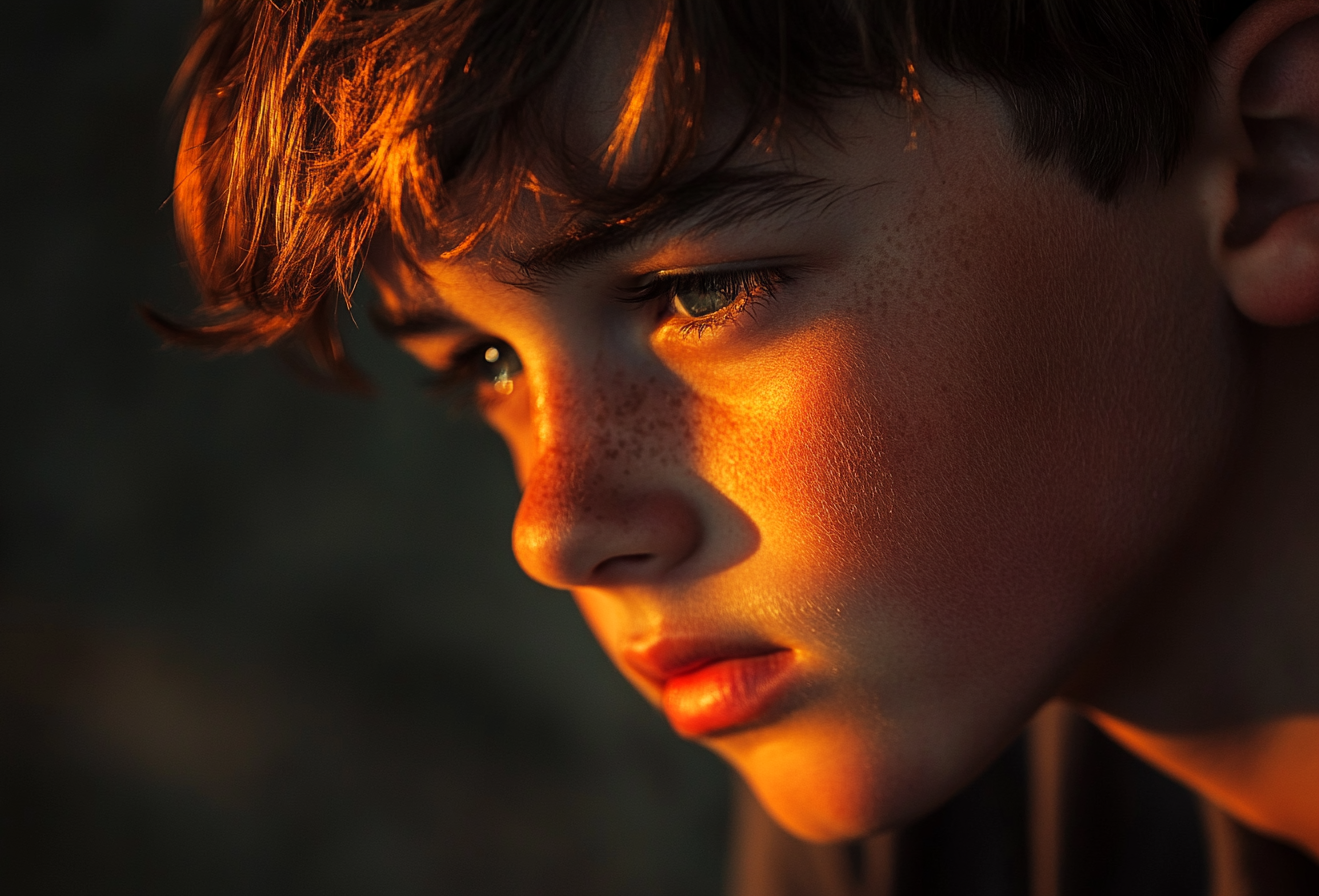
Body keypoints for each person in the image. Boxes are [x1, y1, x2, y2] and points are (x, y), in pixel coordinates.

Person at [159, 0, 1319, 891]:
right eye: (487, 364)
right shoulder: (940, 791)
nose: (555, 528)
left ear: (1279, 163)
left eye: (700, 290)